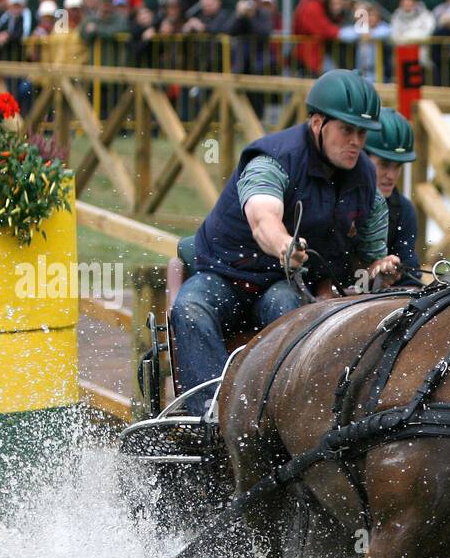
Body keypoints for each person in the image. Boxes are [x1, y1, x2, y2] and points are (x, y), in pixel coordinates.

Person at [171, 71, 398, 413]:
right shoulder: (274, 159)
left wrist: (378, 268)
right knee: (189, 307)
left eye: (362, 133)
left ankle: (284, 414)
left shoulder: (366, 181)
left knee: (290, 311)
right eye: (346, 130)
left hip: (284, 285)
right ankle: (209, 416)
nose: (356, 141)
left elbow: (369, 258)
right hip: (223, 276)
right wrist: (283, 245)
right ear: (318, 124)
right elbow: (264, 218)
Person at [365, 109, 421, 288]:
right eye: (384, 165)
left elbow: (411, 282)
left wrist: (394, 273)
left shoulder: (404, 210)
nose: (391, 175)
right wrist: (369, 274)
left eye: (398, 166)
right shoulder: (336, 199)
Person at [292, 0, 339, 74]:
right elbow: (322, 29)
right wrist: (342, 32)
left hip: (310, 53)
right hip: (309, 55)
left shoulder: (310, 1)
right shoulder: (312, 5)